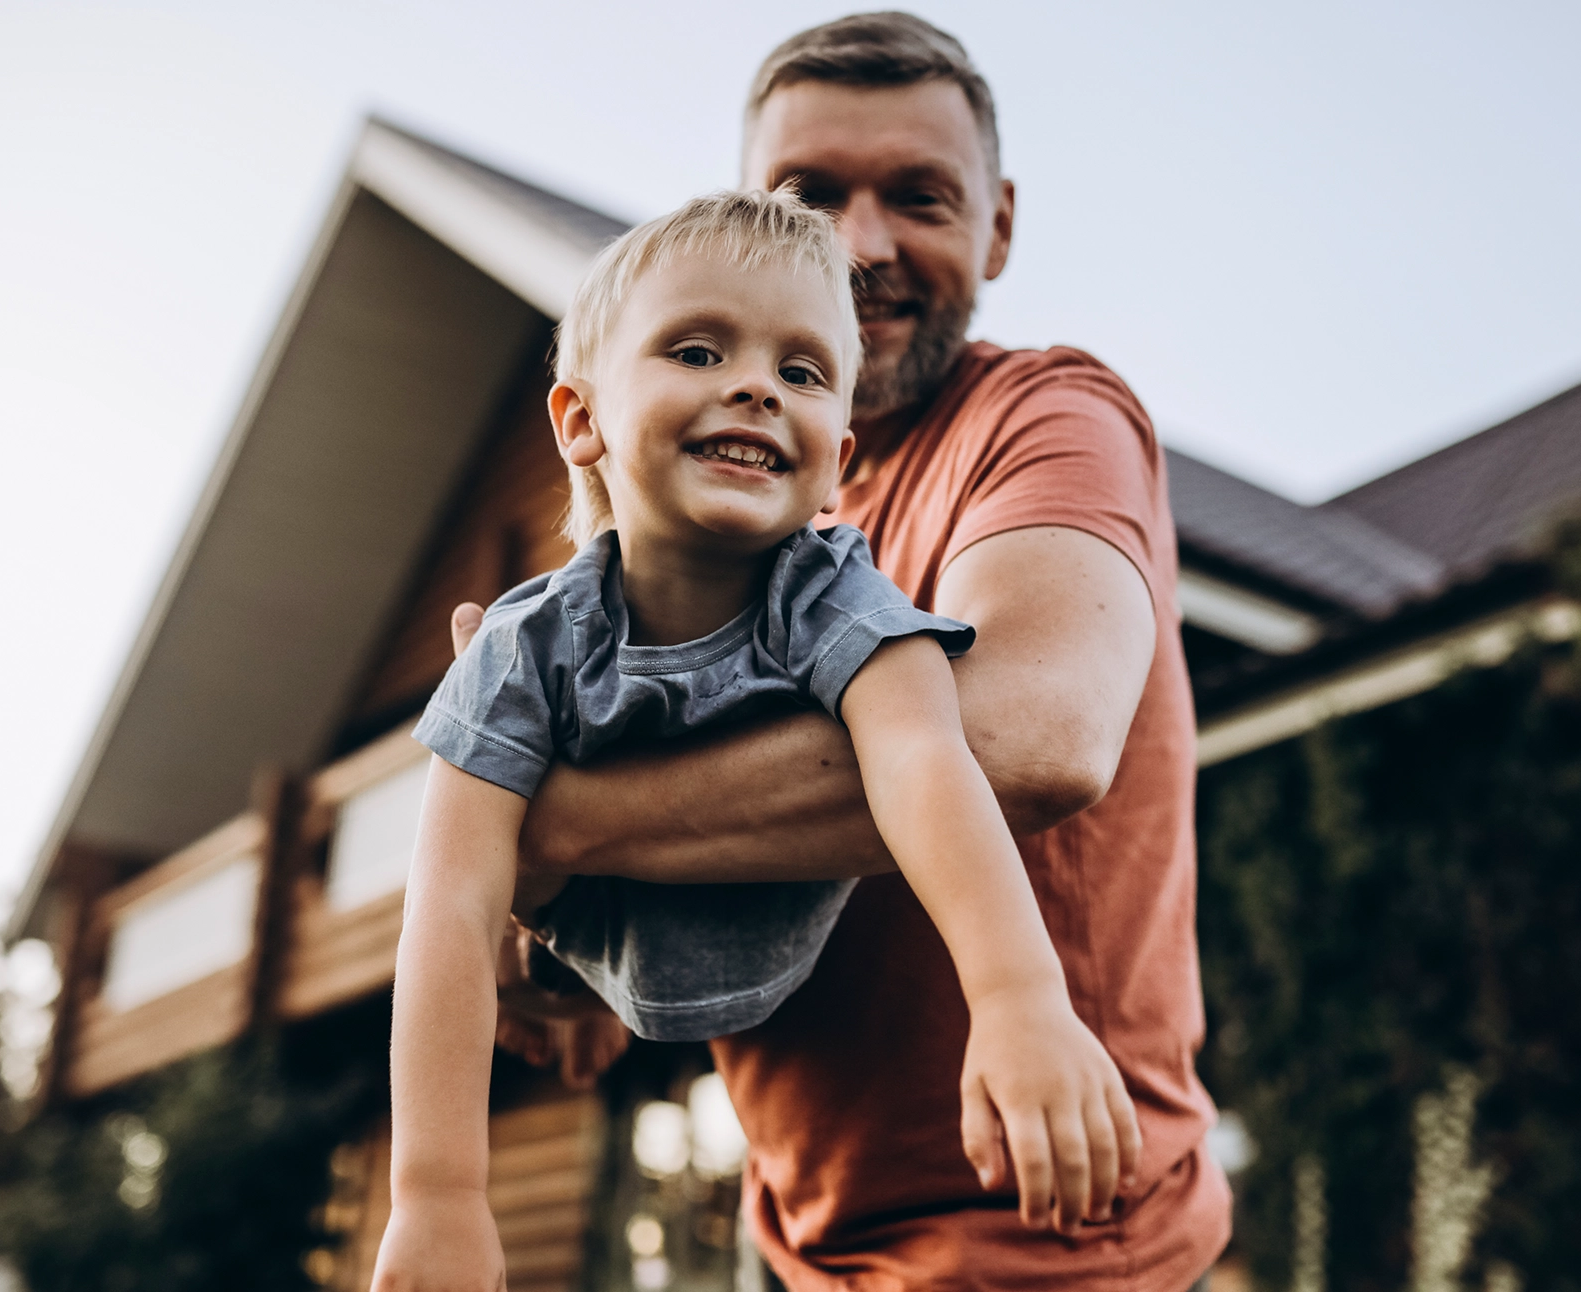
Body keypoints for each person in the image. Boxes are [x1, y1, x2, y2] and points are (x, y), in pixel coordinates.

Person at [468, 13, 1233, 1290]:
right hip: (799, 1240)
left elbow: (1030, 740)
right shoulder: (723, 519)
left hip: (1049, 1237)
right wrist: (553, 936)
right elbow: (657, 845)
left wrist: (555, 825)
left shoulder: (1046, 415)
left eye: (918, 197)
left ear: (995, 227)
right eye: (809, 194)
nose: (862, 244)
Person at [373, 189, 1143, 1292]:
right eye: (696, 349)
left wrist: (1020, 998)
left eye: (801, 373)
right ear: (581, 419)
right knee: (491, 904)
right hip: (591, 937)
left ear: (835, 456)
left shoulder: (831, 590)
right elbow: (447, 898)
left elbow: (926, 763)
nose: (753, 385)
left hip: (781, 973)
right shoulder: (525, 640)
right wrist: (437, 1192)